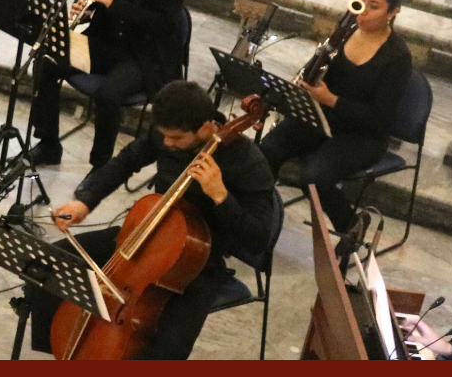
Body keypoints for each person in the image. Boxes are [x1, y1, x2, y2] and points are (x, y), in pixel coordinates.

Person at [29, 81, 277, 359]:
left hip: (196, 265)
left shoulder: (248, 162)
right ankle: (59, 352)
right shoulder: (167, 133)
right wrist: (84, 201)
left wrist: (221, 196)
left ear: (206, 127)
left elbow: (258, 239)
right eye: (164, 136)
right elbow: (127, 160)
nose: (167, 144)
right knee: (48, 264)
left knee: (166, 352)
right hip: (142, 236)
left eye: (176, 139)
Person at [255, 0, 411, 251]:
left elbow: (380, 119)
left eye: (373, 6)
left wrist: (331, 100)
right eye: (359, 1)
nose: (362, 11)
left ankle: (351, 223)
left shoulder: (397, 56)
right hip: (323, 116)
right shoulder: (346, 30)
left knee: (315, 178)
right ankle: (259, 217)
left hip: (362, 134)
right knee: (268, 149)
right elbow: (316, 74)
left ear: (393, 12)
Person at [30, 0, 188, 168]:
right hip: (105, 42)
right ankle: (48, 145)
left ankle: (100, 166)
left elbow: (164, 25)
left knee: (108, 94)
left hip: (144, 56)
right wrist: (87, 8)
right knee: (46, 60)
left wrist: (115, 4)